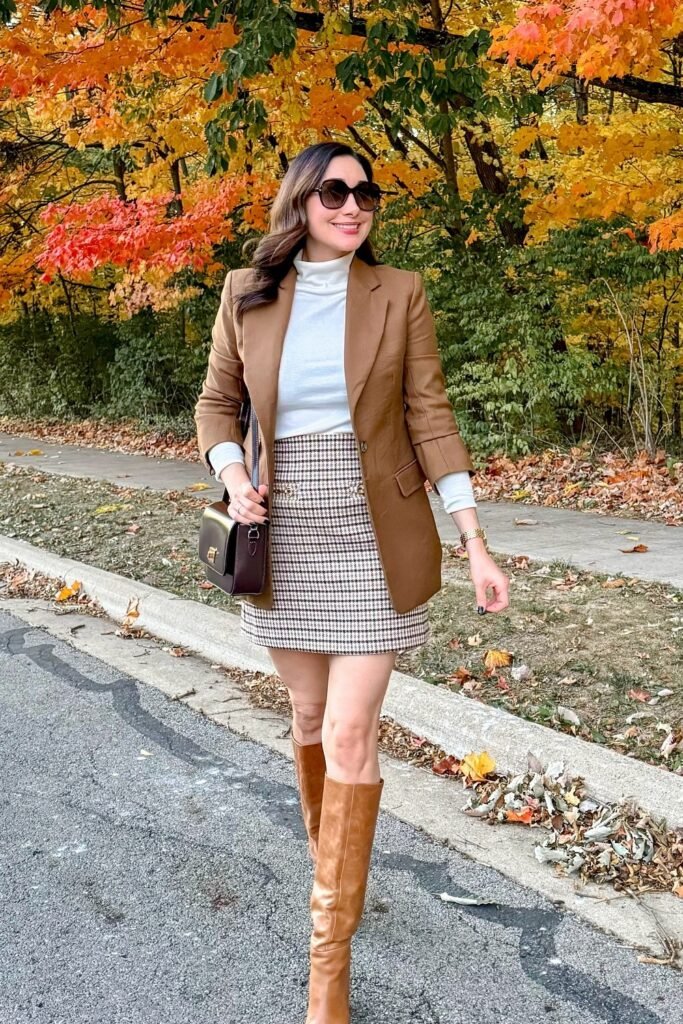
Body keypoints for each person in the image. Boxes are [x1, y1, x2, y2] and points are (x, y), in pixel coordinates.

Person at [194, 141, 509, 1023]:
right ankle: (334, 872)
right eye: (335, 190)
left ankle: (325, 968)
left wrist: (474, 540)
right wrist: (232, 472)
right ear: (300, 200)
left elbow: (429, 414)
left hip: (374, 533)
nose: (353, 204)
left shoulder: (398, 292)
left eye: (365, 192)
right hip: (280, 526)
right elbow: (218, 401)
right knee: (303, 719)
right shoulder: (244, 293)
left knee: (348, 728)